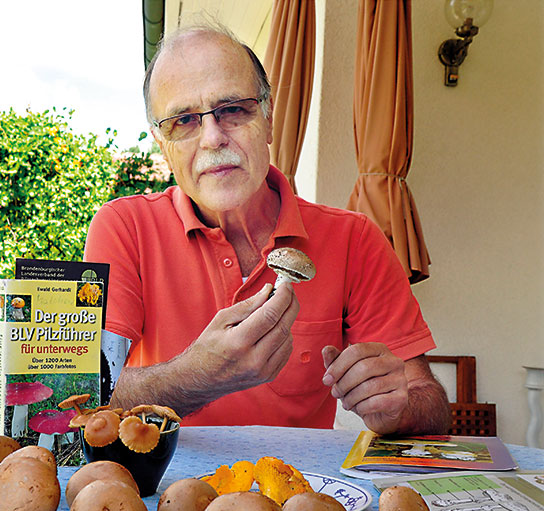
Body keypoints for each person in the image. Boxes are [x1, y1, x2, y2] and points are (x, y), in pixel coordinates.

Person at [84, 25, 451, 435]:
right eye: (183, 120)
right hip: (164, 496)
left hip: (296, 492)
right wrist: (198, 374)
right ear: (161, 142)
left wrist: (398, 407)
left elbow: (430, 401)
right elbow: (88, 394)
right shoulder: (123, 228)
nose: (212, 138)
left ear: (269, 119)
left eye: (234, 109)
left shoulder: (355, 239)